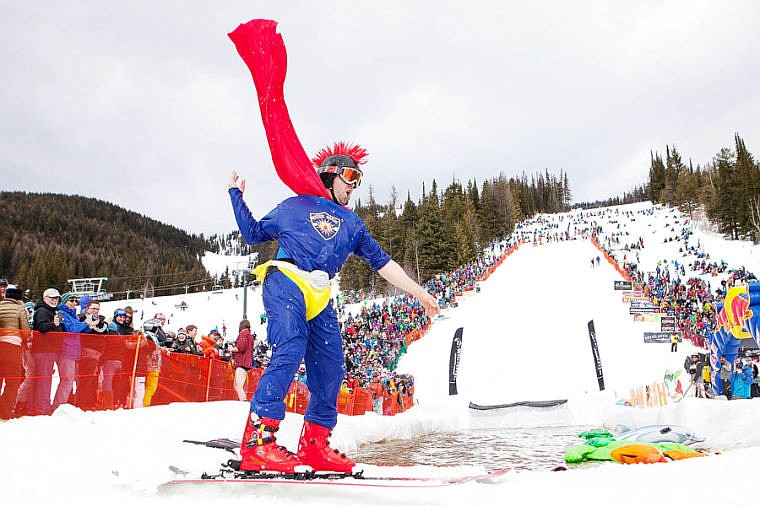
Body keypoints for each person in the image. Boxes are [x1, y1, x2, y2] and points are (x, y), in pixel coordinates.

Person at [228, 142, 439, 474]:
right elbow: (253, 234)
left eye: (359, 179)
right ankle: (258, 443)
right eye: (350, 175)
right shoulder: (293, 206)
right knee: (290, 348)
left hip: (320, 291)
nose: (354, 185)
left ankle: (314, 446)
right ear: (329, 174)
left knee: (331, 369)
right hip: (286, 278)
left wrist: (419, 293)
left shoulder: (352, 223)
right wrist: (235, 195)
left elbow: (383, 264)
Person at [53, 292, 96, 410]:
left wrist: (89, 327)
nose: (74, 303)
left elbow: (79, 330)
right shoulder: (61, 313)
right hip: (66, 350)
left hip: (74, 350)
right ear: (64, 302)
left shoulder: (73, 314)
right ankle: (58, 405)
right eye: (71, 301)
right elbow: (71, 329)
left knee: (70, 380)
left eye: (75, 301)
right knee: (67, 379)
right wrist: (85, 323)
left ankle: (64, 403)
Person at [30, 288, 64, 415]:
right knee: (44, 379)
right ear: (45, 298)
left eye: (56, 298)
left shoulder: (52, 310)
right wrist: (53, 324)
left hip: (49, 350)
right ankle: (41, 407)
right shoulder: (43, 311)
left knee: (45, 379)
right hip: (43, 350)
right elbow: (42, 327)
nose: (54, 300)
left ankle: (40, 406)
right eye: (52, 298)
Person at [0, 287, 30, 419]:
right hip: (11, 346)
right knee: (13, 380)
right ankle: (5, 411)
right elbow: (25, 331)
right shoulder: (19, 309)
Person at [76, 299, 110, 410]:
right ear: (87, 308)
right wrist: (105, 323)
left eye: (97, 309)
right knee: (86, 379)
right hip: (87, 352)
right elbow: (98, 330)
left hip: (98, 353)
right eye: (93, 308)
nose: (95, 311)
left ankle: (89, 402)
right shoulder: (85, 318)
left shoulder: (98, 319)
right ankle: (82, 403)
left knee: (93, 379)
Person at [232, 320, 254, 401]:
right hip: (246, 362)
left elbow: (241, 347)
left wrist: (232, 349)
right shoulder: (250, 335)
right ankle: (241, 401)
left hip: (242, 362)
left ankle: (243, 402)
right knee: (237, 384)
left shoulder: (244, 333)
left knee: (238, 385)